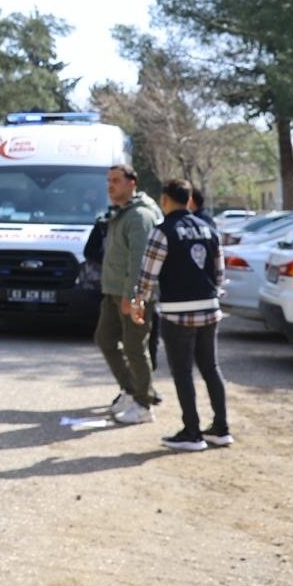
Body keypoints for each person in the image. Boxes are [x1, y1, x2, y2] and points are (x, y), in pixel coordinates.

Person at [127, 177, 231, 452]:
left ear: (165, 200)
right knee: (211, 368)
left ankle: (192, 433)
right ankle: (221, 428)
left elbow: (148, 275)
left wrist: (138, 301)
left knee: (183, 372)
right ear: (189, 200)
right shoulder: (209, 229)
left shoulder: (163, 232)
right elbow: (219, 274)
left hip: (177, 312)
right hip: (209, 309)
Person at [98, 164, 163, 425]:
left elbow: (139, 262)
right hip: (113, 292)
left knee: (135, 347)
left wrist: (134, 296)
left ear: (132, 183)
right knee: (105, 339)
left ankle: (144, 405)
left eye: (116, 180)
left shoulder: (140, 216)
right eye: (108, 181)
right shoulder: (122, 213)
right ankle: (131, 389)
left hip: (133, 295)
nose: (110, 186)